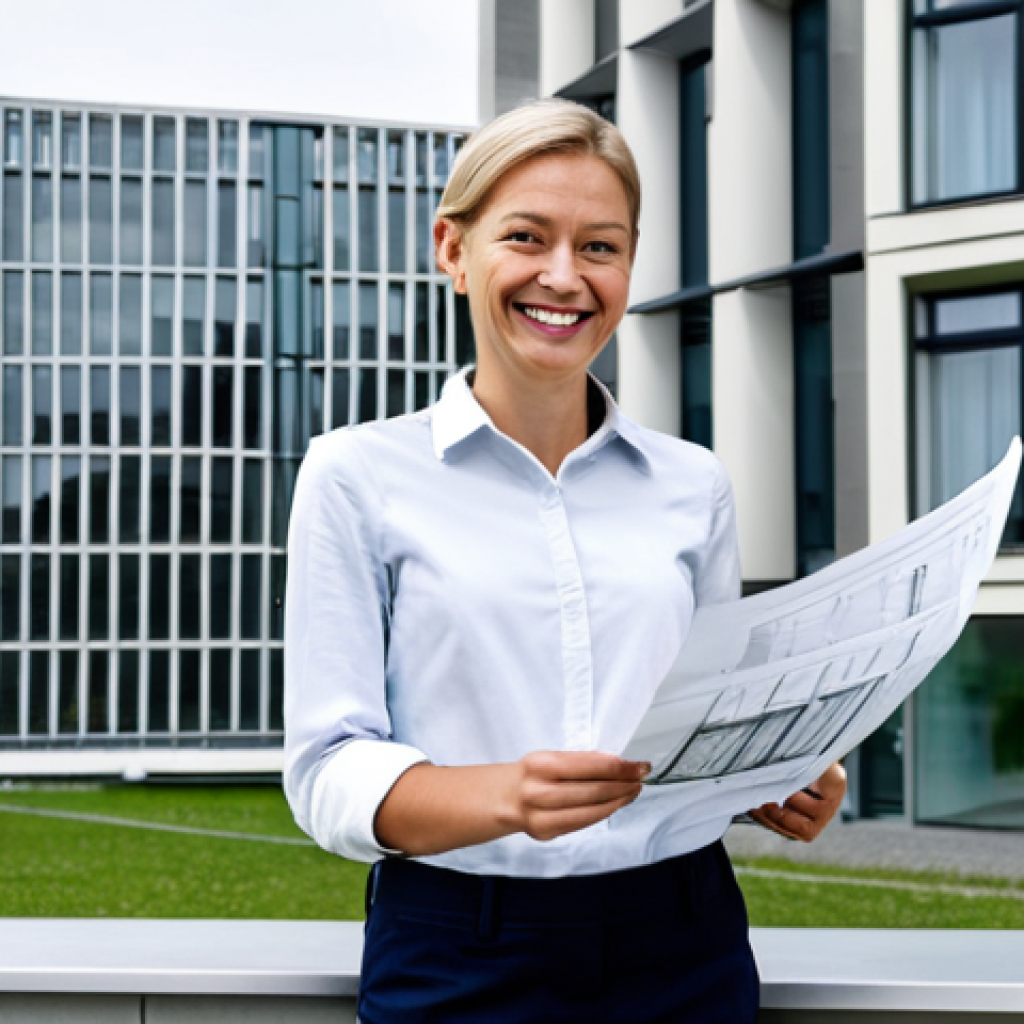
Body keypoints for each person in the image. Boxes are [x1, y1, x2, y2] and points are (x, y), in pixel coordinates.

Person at [283, 98, 846, 1023]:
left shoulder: (692, 483)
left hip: (685, 936)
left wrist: (769, 780)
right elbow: (327, 770)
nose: (564, 276)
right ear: (452, 251)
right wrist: (502, 796)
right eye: (526, 236)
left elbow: (695, 726)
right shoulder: (357, 475)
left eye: (599, 246)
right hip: (458, 947)